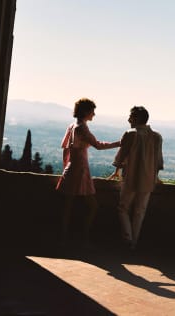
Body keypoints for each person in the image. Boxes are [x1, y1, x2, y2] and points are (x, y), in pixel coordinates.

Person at [56, 98, 120, 244]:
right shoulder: (82, 128)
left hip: (71, 168)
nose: (94, 114)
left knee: (68, 205)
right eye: (92, 111)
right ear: (86, 111)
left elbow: (66, 149)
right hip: (80, 170)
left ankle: (63, 235)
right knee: (92, 206)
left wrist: (65, 166)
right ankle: (85, 236)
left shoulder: (72, 126)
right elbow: (98, 145)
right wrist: (119, 143)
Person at [109, 106, 164, 250]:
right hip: (148, 179)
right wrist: (155, 177)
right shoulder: (157, 136)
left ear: (137, 118)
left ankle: (127, 238)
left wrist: (117, 171)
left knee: (123, 208)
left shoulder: (130, 134)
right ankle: (134, 243)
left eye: (131, 116)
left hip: (131, 177)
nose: (128, 119)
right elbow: (158, 161)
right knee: (140, 211)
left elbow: (121, 157)